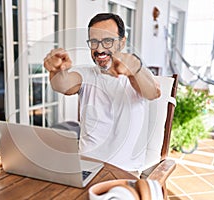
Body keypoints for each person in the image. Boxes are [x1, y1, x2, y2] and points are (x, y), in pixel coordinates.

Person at [43, 13, 161, 175]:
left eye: (107, 41)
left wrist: (134, 70)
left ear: (121, 43)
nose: (99, 49)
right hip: (85, 167)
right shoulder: (86, 74)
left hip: (124, 172)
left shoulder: (138, 74)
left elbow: (153, 92)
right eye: (94, 42)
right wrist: (57, 70)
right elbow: (63, 86)